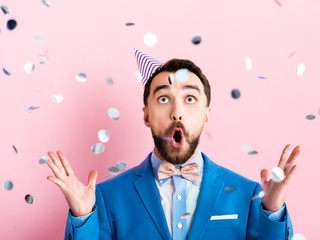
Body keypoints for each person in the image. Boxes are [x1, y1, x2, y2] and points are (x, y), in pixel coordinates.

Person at [46, 49, 301, 240]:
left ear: (206, 114)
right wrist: (82, 217)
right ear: (146, 114)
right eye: (164, 98)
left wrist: (273, 212)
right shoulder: (105, 197)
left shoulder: (249, 195)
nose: (177, 112)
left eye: (190, 98)